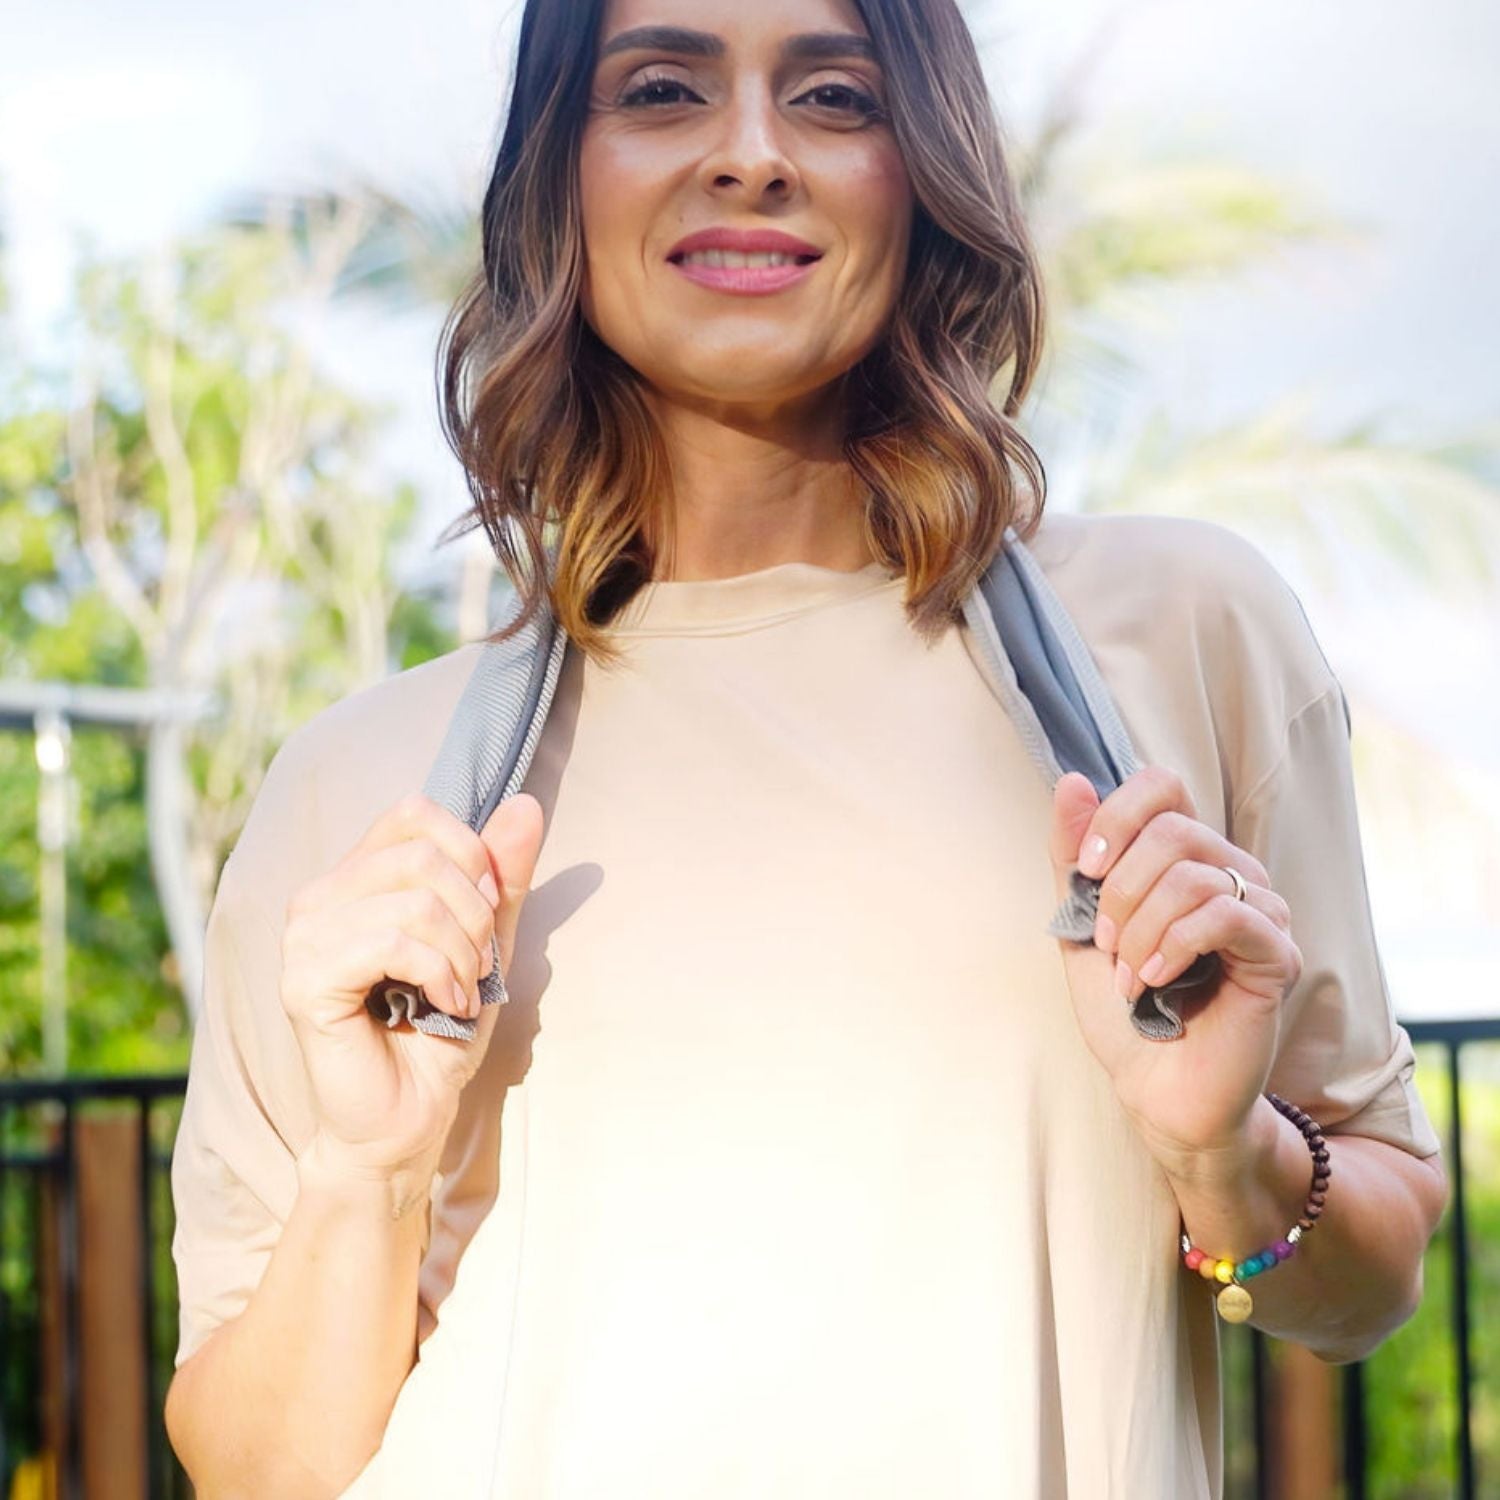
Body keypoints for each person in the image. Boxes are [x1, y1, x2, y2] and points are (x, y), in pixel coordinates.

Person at [162, 1, 1449, 1496]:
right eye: (662, 88)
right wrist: (368, 1171)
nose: (752, 154)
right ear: (557, 177)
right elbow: (257, 1473)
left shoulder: (1180, 636)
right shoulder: (358, 788)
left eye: (836, 97)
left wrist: (1226, 1157)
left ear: (926, 174)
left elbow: (1367, 1291)